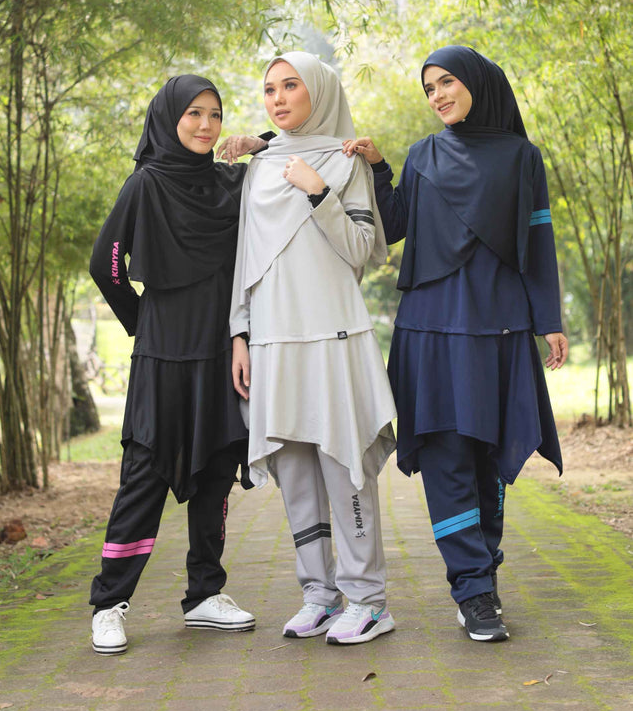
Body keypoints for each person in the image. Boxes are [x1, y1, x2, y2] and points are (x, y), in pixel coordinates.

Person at [344, 45, 567, 643]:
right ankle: (472, 590)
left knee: (489, 454)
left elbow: (538, 241)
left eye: (446, 82)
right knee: (446, 456)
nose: (437, 95)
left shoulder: (522, 158)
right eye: (429, 88)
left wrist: (549, 319)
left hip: (499, 329)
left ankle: (483, 573)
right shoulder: (423, 155)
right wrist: (381, 169)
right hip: (431, 328)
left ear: (477, 83)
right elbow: (395, 227)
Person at [230, 51, 397, 646]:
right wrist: (239, 333)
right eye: (269, 88)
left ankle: (369, 600)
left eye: (290, 85)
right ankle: (319, 596)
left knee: (343, 462)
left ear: (318, 92)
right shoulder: (258, 166)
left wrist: (318, 190)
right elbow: (245, 257)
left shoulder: (347, 160)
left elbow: (360, 251)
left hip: (332, 333)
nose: (277, 98)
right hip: (273, 336)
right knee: (296, 467)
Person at [88, 75, 257, 654]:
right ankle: (109, 603)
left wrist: (257, 142)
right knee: (145, 472)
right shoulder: (146, 184)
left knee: (217, 467)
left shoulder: (230, 182)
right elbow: (108, 264)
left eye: (215, 114)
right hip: (161, 354)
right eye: (193, 114)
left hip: (220, 350)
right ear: (169, 118)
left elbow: (291, 152)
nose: (206, 125)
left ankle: (205, 593)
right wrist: (144, 322)